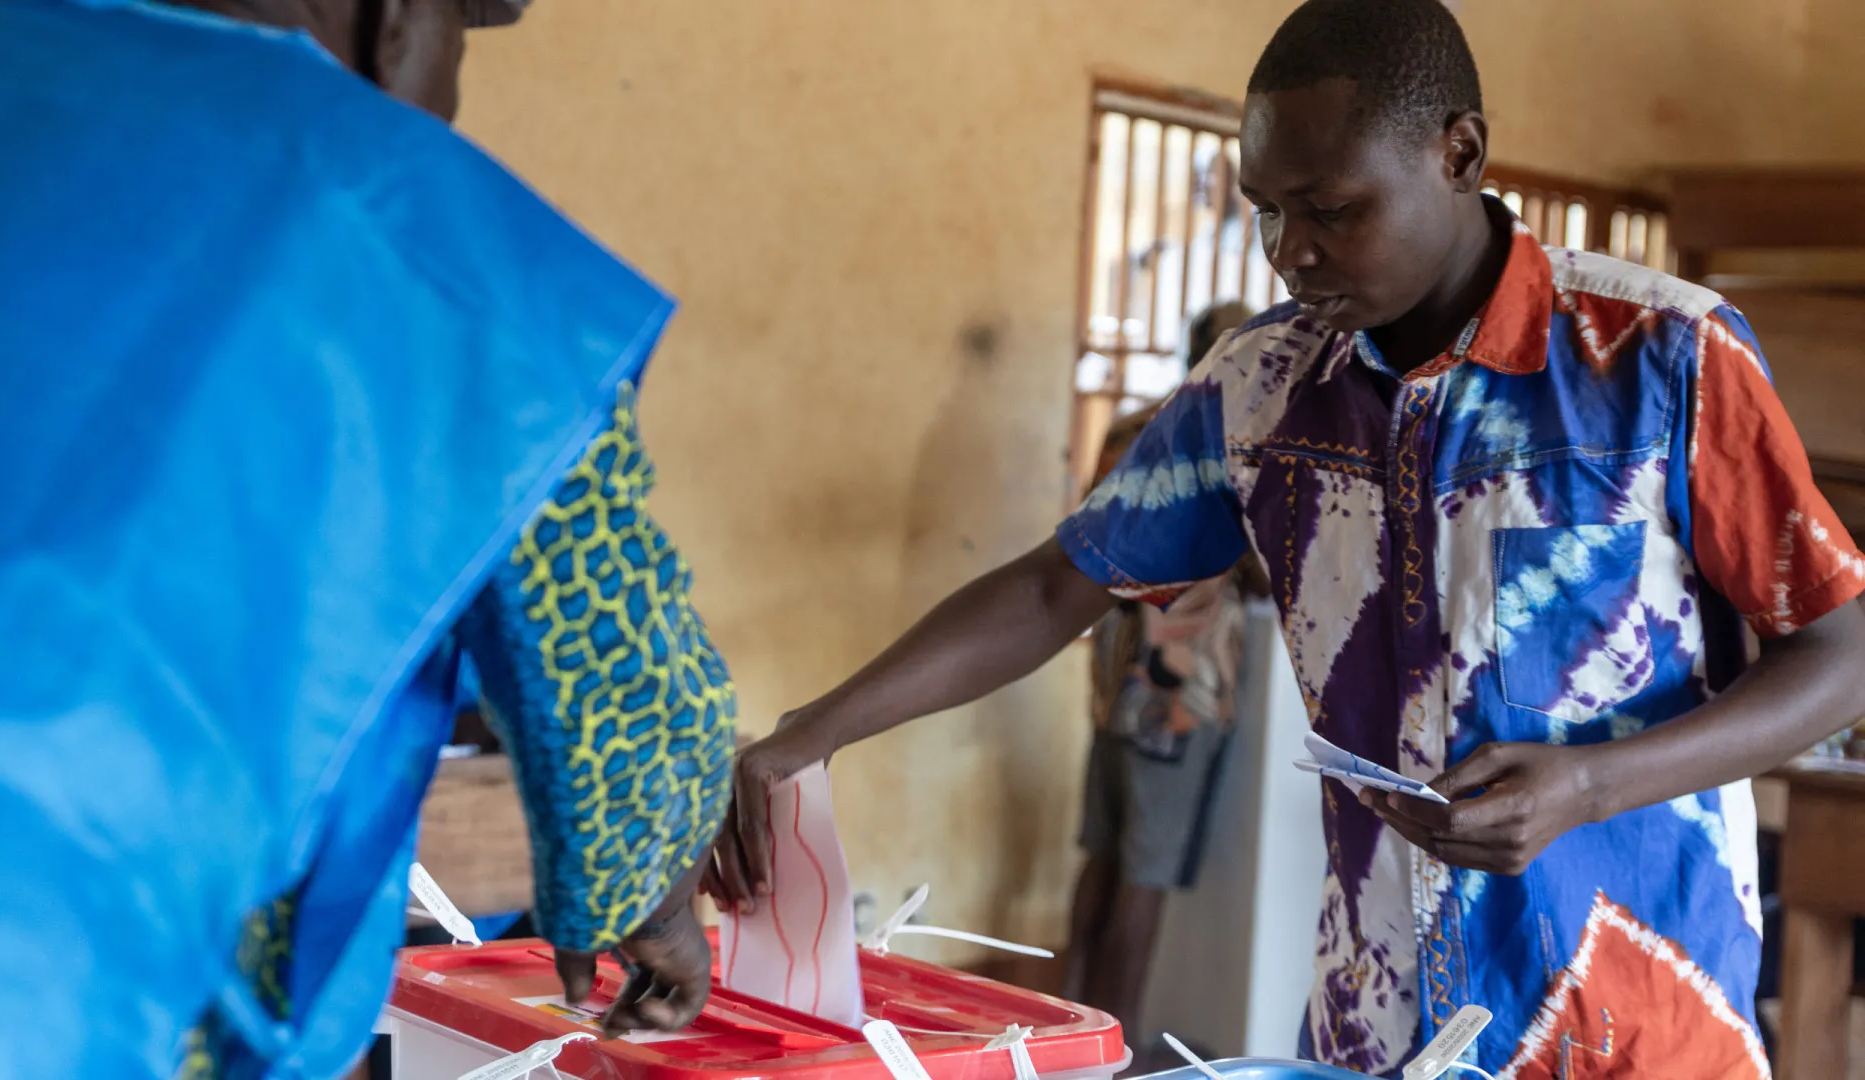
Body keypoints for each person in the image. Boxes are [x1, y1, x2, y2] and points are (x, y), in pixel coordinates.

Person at [704, 0, 1865, 1075]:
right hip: (1379, 1014)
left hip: (1637, 1019)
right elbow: (1063, 584)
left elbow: (1842, 655)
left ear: (1458, 154)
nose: (1287, 250)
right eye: (1267, 208)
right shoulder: (1261, 389)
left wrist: (1592, 784)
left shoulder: (1660, 358)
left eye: (1329, 208)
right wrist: (813, 732)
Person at [0, 1, 732, 1077]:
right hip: (36, 959)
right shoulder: (440, 252)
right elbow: (622, 706)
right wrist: (659, 909)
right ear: (398, 18)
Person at [1061, 303, 1260, 1060]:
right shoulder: (1226, 443)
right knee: (1145, 873)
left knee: (1102, 856)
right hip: (1181, 687)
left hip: (1115, 673)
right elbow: (1258, 571)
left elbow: (1083, 539)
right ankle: (1115, 1052)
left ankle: (1061, 1034)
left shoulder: (1129, 428)